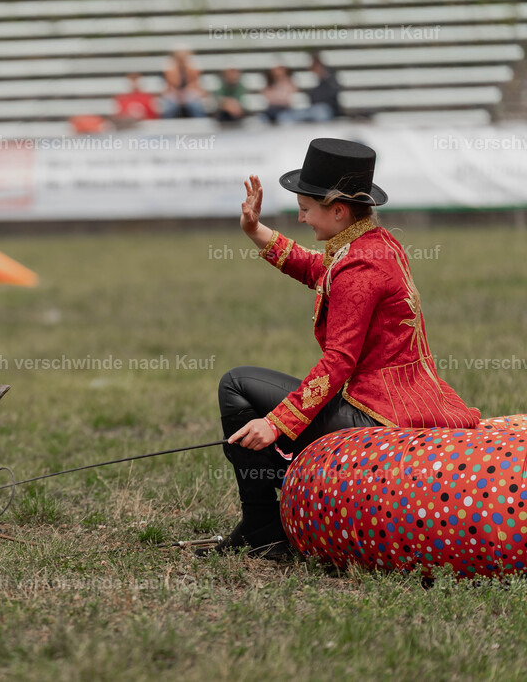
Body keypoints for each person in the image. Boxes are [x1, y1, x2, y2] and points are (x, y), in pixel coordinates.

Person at [201, 138, 480, 559]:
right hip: (409, 404)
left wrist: (276, 423)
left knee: (237, 385)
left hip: (379, 417)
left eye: (306, 208)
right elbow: (323, 271)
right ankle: (270, 520)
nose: (300, 217)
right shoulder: (376, 243)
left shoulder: (362, 264)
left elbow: (338, 361)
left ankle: (265, 529)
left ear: (338, 209)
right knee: (248, 402)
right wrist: (256, 232)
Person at [288, 52, 341, 123]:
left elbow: (330, 97)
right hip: (310, 109)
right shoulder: (309, 80)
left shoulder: (330, 79)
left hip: (325, 109)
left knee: (321, 112)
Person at [161, 49, 207, 118]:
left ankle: (201, 126)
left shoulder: (193, 67)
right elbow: (174, 84)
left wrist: (186, 68)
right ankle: (166, 127)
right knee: (170, 108)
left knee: (195, 107)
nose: (181, 60)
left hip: (190, 93)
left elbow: (194, 84)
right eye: (179, 58)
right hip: (174, 94)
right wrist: (179, 70)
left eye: (183, 58)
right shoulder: (170, 68)